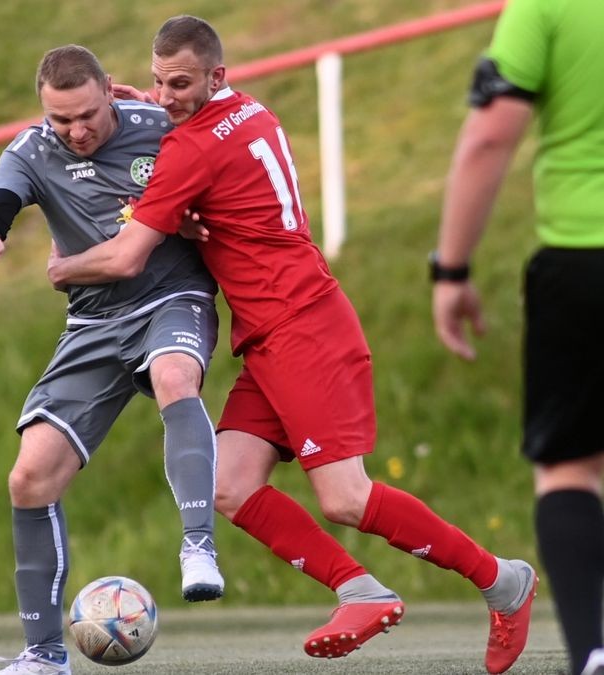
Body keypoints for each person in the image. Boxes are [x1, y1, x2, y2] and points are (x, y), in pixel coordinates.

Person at [48, 15, 538, 674]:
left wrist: (63, 268)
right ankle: (360, 589)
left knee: (346, 498)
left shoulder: (190, 150)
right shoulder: (247, 111)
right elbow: (207, 156)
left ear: (217, 75)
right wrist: (146, 103)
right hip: (276, 329)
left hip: (304, 326)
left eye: (180, 83)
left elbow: (129, 255)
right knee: (226, 483)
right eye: (159, 81)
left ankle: (503, 580)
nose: (165, 96)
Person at [0, 45, 224, 675]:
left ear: (111, 91)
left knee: (172, 375)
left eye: (87, 114)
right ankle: (45, 655)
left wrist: (197, 218)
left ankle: (198, 546)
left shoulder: (156, 125)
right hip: (93, 322)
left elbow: (222, 155)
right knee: (28, 479)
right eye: (62, 121)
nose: (77, 131)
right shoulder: (31, 150)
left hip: (172, 296)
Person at [431, 0, 604, 672]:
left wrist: (451, 267)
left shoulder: (547, 7)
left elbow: (489, 136)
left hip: (583, 261)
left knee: (569, 467)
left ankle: (593, 648)